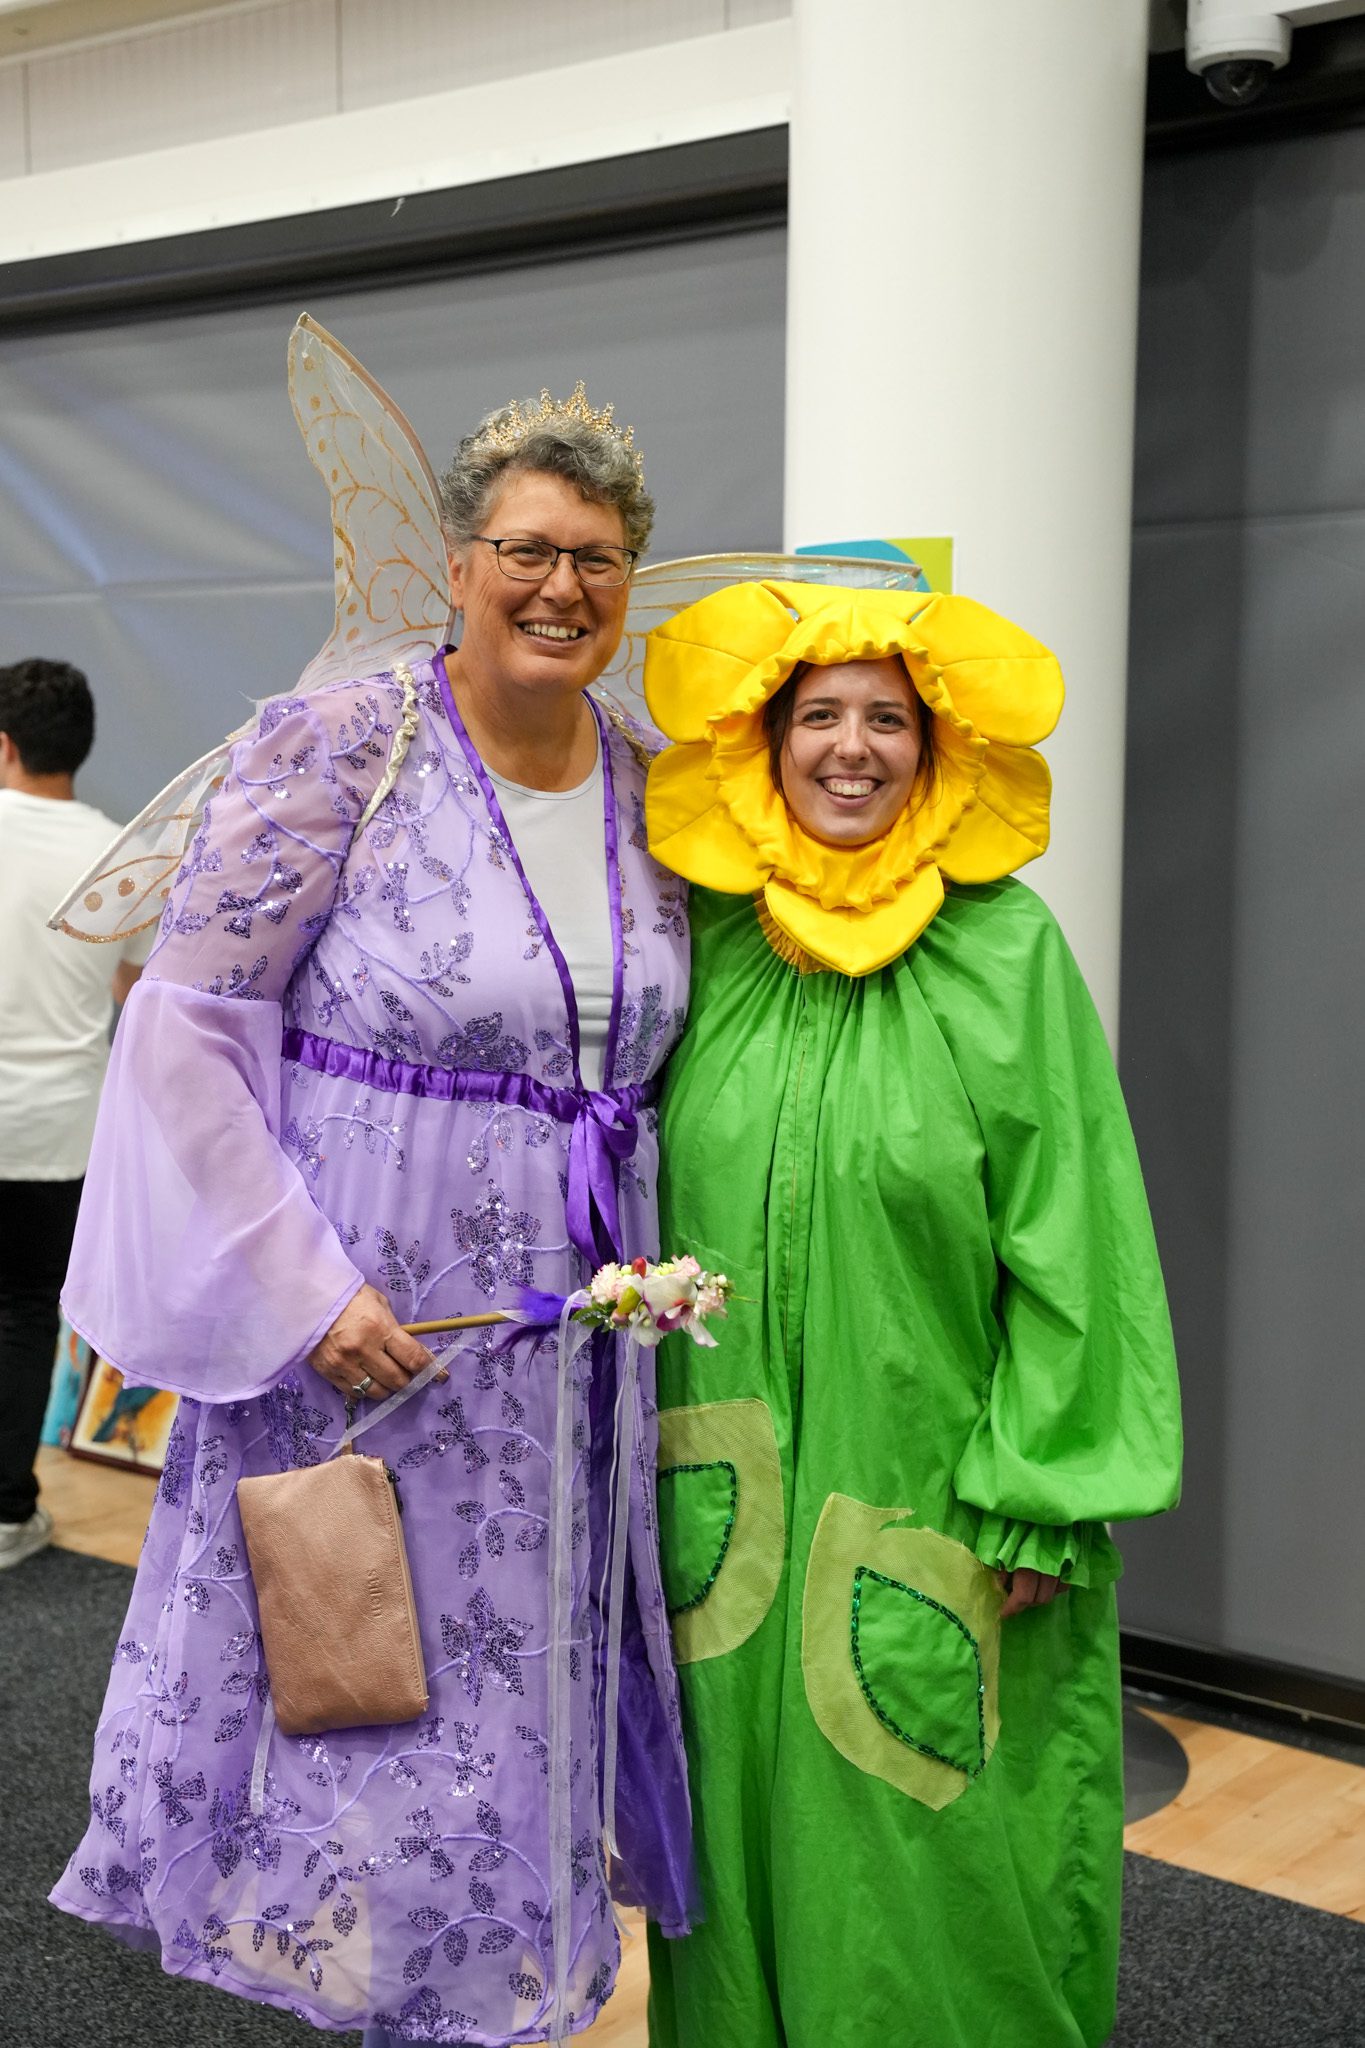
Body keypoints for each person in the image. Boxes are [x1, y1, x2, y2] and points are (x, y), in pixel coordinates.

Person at [50, 385, 695, 2042]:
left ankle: (504, 2002)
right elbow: (185, 1030)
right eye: (529, 551)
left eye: (600, 559)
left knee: (517, 1702)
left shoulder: (657, 788)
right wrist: (302, 1282)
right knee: (364, 1696)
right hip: (359, 1330)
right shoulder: (340, 741)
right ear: (463, 565)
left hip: (557, 1354)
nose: (563, 587)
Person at [639, 578, 1183, 2048]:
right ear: (762, 742)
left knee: (935, 1850)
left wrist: (1044, 1494)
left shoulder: (1007, 955)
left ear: (943, 750)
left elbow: (1079, 1237)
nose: (852, 748)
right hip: (723, 1489)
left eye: (888, 717)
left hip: (935, 1484)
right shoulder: (704, 941)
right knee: (733, 1855)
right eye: (818, 715)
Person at [0, 659, 150, 1570]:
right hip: (56, 1131)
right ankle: (10, 1513)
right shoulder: (121, 852)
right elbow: (136, 995)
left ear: (4, 744)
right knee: (22, 1315)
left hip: (50, 1126)